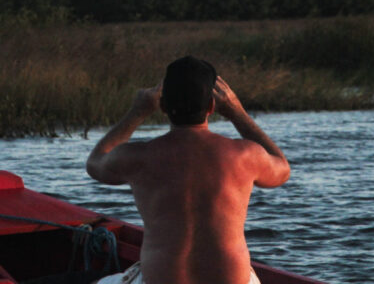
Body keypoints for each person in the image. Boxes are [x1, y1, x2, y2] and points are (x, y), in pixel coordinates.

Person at [86, 56, 290, 284]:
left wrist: (137, 112)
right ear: (212, 106)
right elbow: (282, 169)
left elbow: (95, 163)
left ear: (162, 106)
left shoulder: (138, 157)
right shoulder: (245, 155)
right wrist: (238, 113)